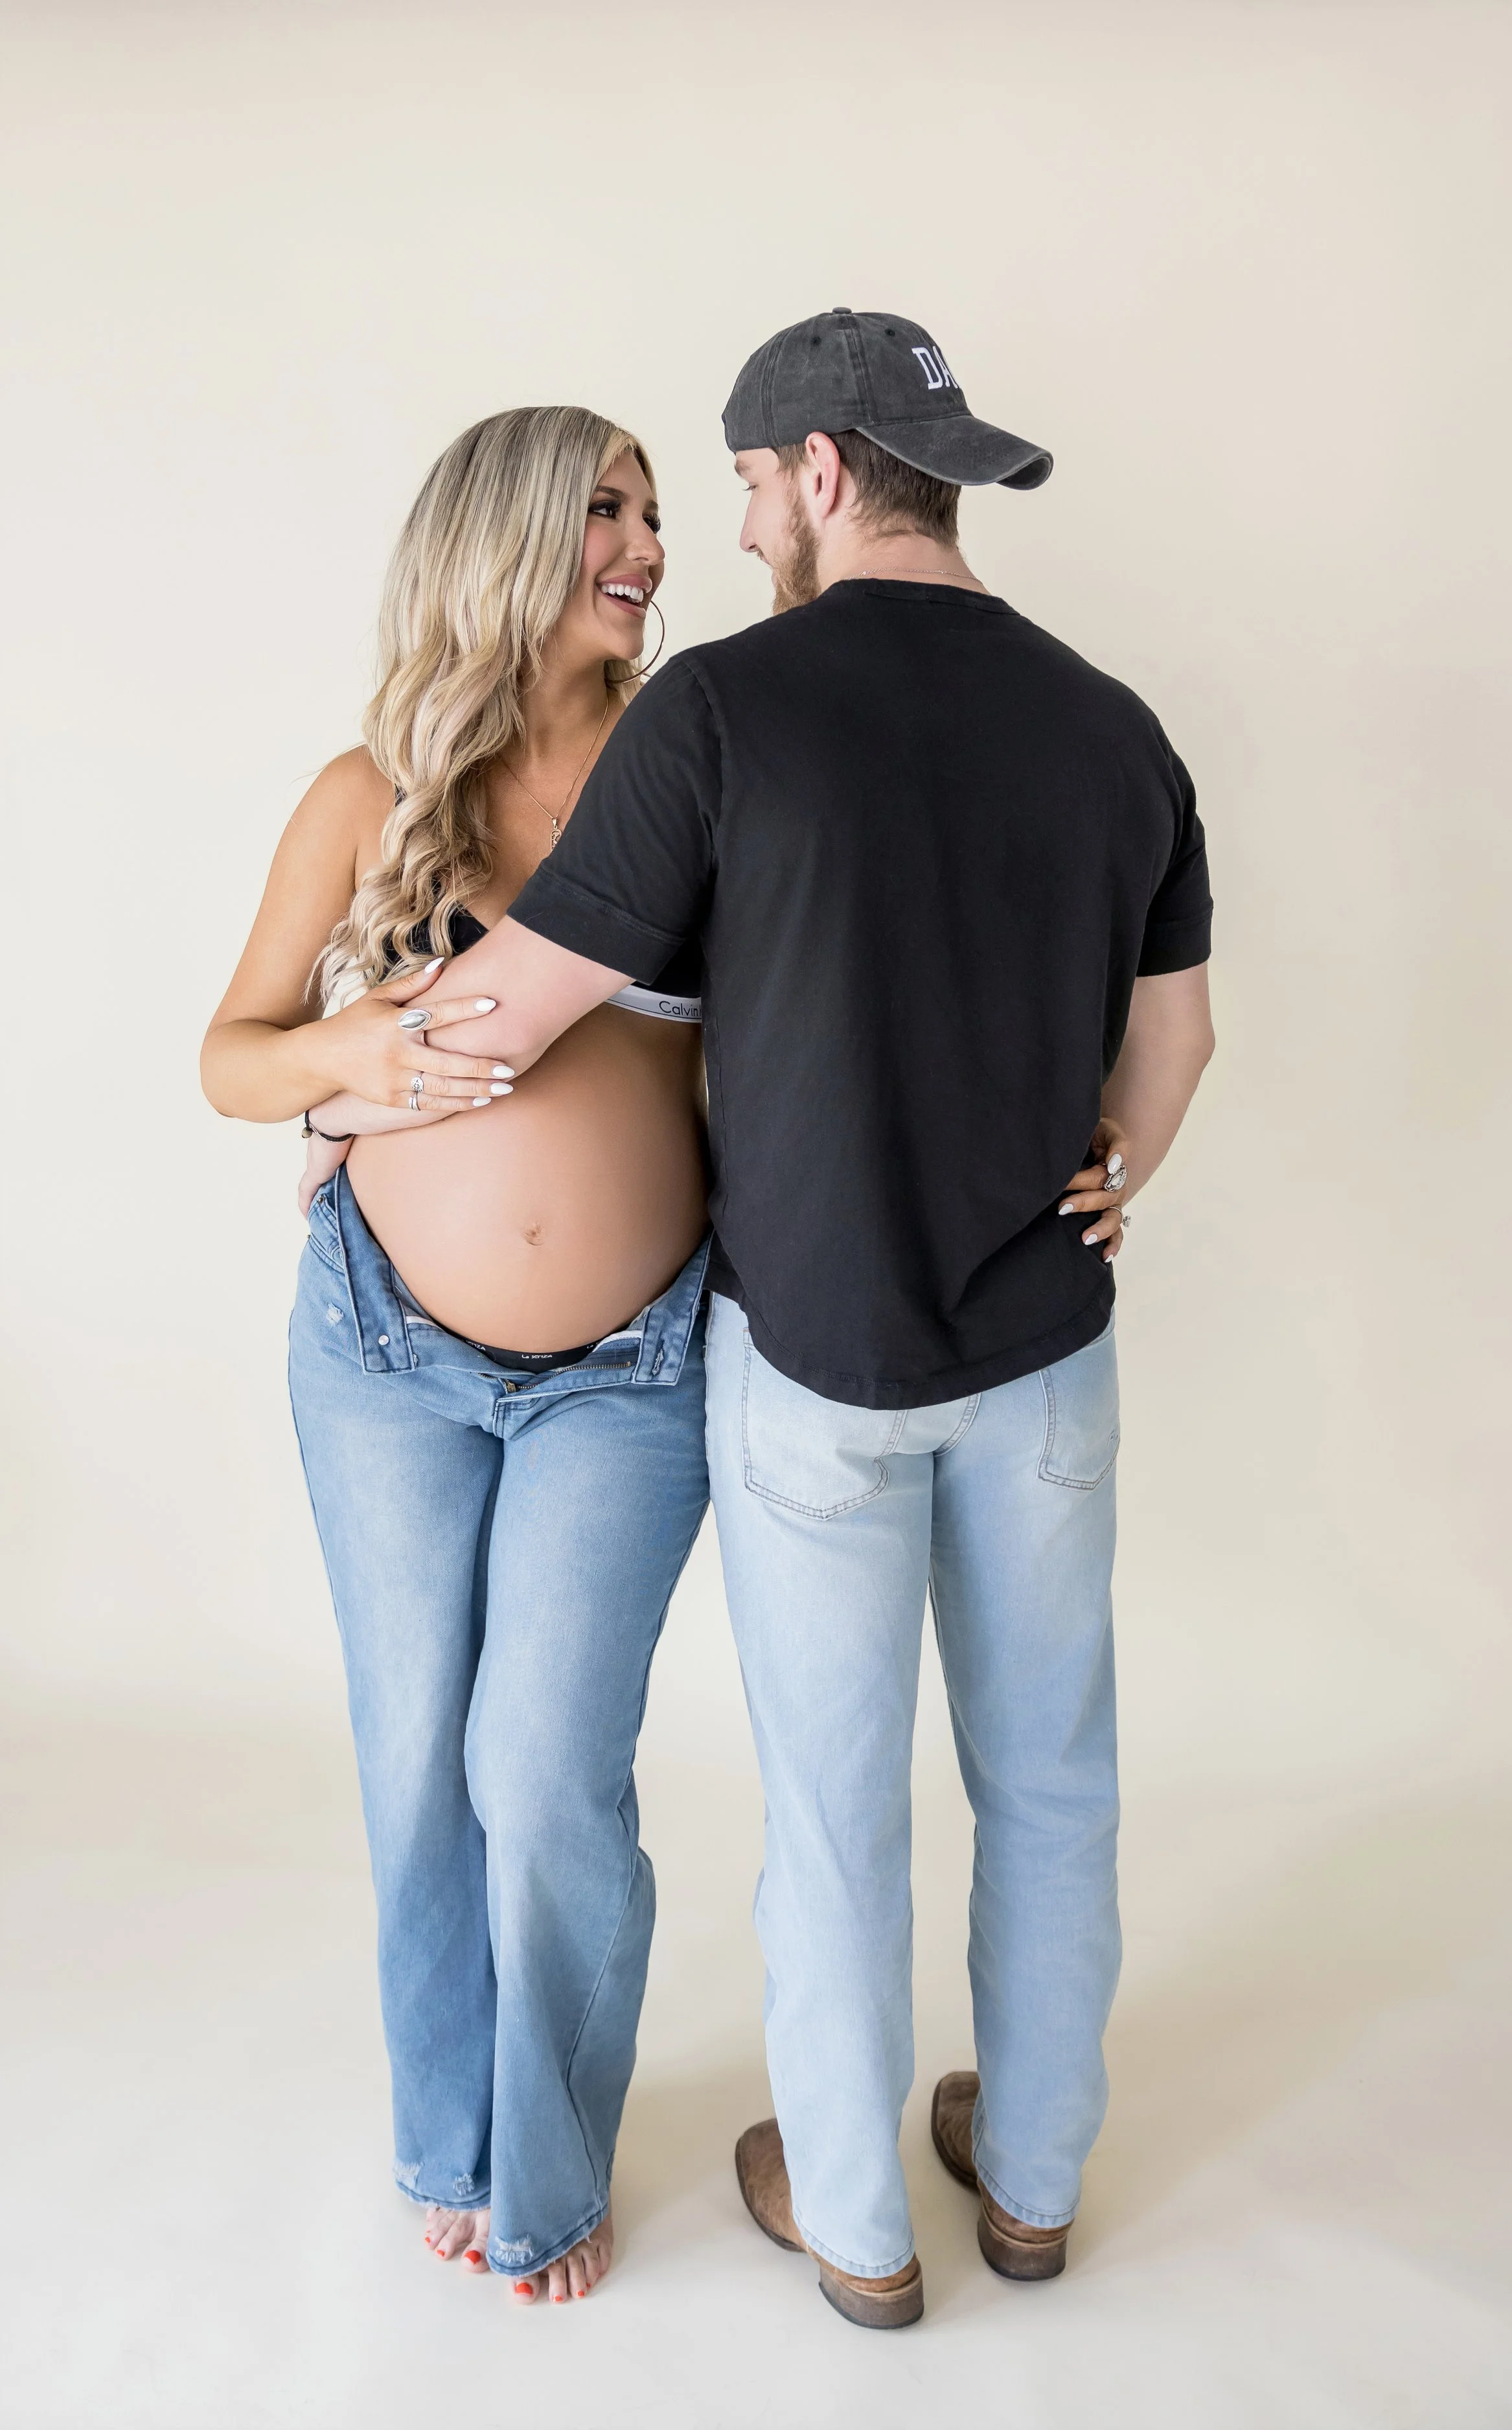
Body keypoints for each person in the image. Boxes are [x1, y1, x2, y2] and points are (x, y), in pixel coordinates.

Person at [337, 308, 1217, 2330]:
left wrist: (332, 1080)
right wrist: (1114, 1175)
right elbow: (1174, 1041)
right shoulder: (1114, 723)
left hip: (813, 1363)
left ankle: (856, 2222)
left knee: (834, 1809)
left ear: (820, 470)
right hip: (1041, 1348)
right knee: (1053, 1778)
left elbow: (514, 1006)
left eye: (738, 485)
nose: (730, 530)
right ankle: (1033, 2184)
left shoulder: (719, 711)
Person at [200, 406, 712, 2306]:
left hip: (633, 1362)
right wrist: (359, 1060)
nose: (647, 540)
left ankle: (552, 2166)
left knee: (549, 1760)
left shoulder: (694, 773)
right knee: (418, 1747)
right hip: (380, 1353)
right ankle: (449, 2131)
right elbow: (234, 1055)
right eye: (605, 508)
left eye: (656, 509)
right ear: (503, 539)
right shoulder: (369, 791)